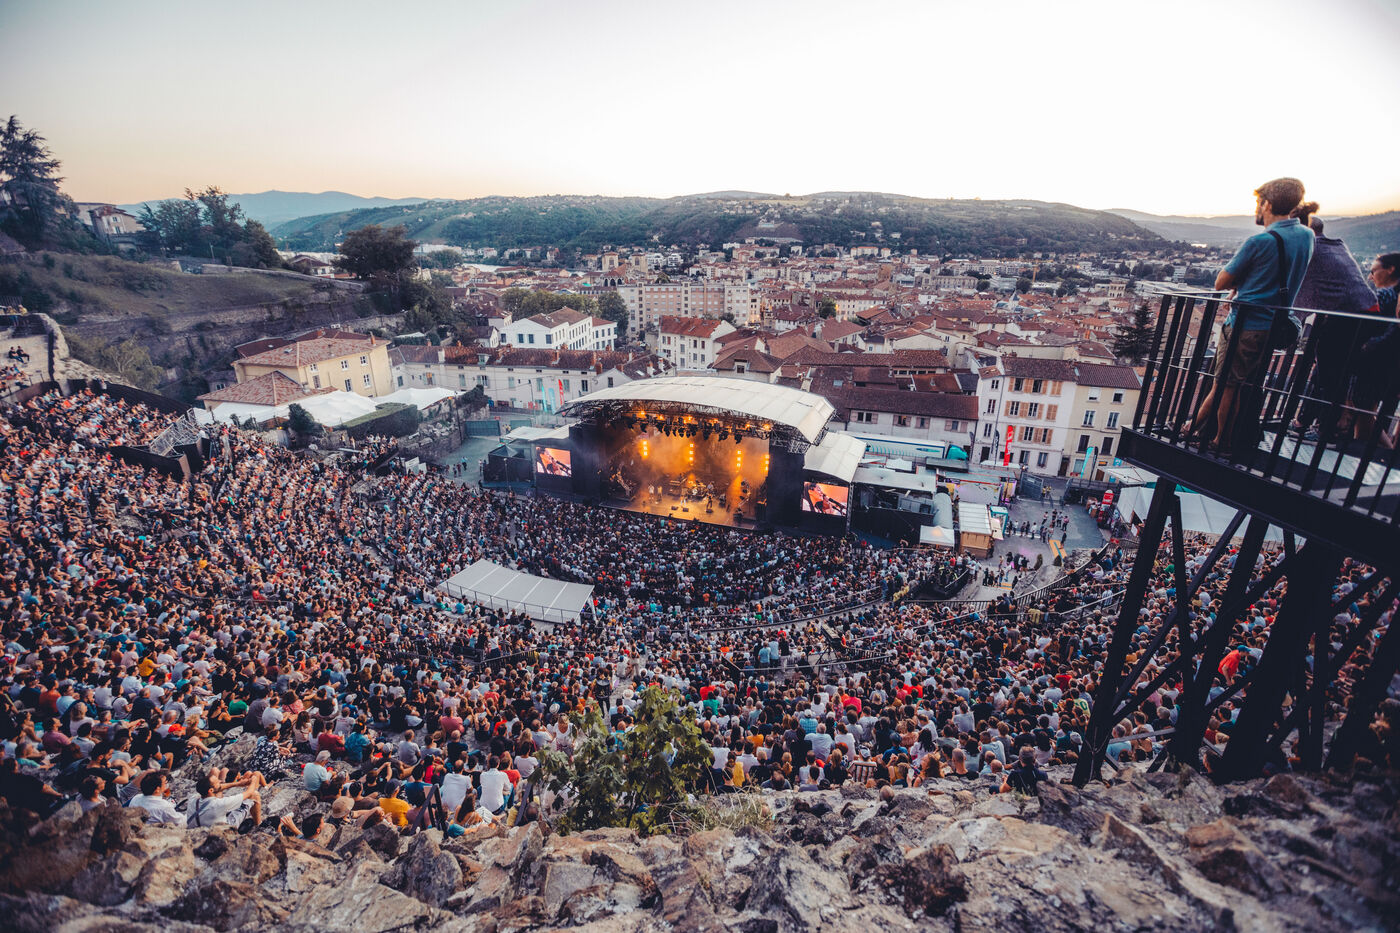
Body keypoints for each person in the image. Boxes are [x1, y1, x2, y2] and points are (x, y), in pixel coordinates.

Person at [1185, 178, 1316, 455]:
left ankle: (1222, 442)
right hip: (1274, 323)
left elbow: (1220, 282)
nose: (1257, 208)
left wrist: (1239, 283)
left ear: (1267, 204)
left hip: (1246, 325)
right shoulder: (1306, 236)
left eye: (1258, 202)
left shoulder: (1259, 241)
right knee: (1229, 383)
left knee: (1227, 386)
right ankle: (1190, 427)